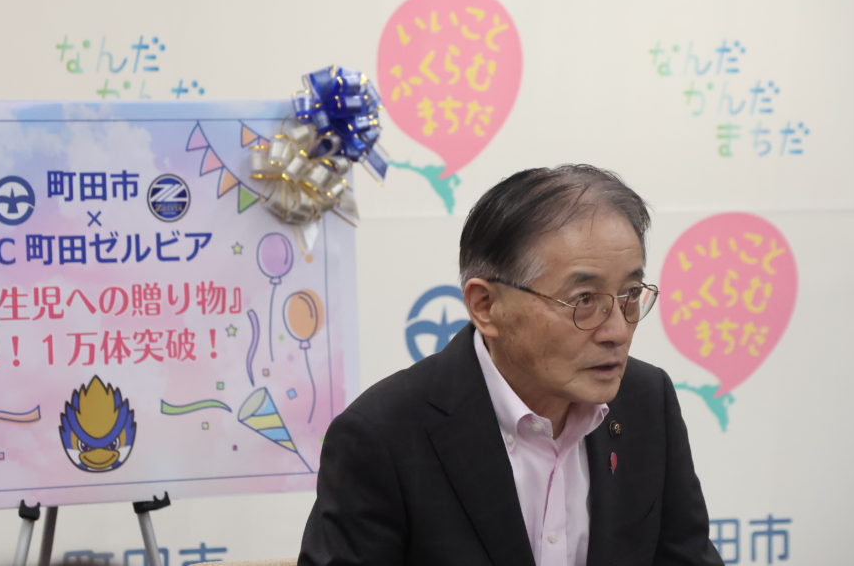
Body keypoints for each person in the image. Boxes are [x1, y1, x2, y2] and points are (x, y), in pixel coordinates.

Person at [298, 165, 724, 566]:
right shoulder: (383, 436)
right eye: (584, 300)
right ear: (485, 305)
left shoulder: (646, 401)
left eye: (630, 294)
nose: (617, 330)